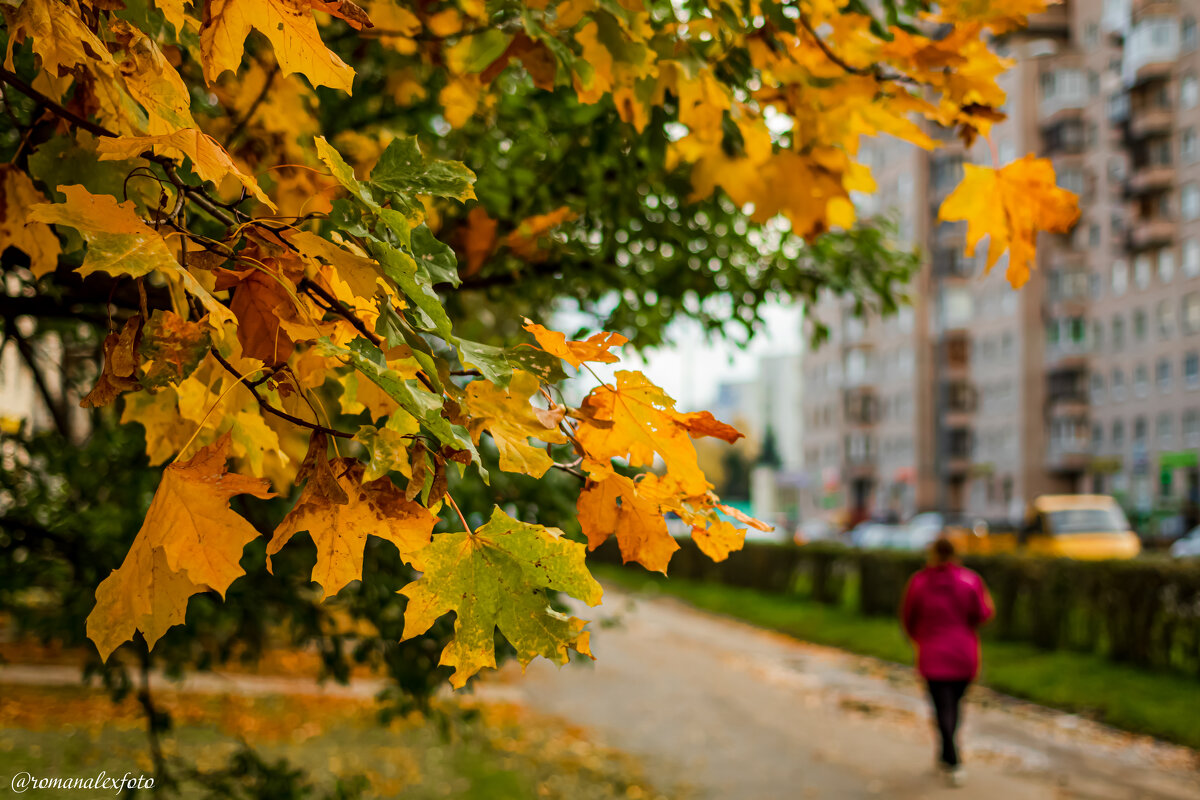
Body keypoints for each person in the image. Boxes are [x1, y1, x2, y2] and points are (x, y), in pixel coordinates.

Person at [901, 537, 994, 787]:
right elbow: (983, 614)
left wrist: (919, 638)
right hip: (964, 655)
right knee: (954, 705)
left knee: (942, 707)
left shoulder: (919, 583)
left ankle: (950, 756)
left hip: (932, 655)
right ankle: (948, 753)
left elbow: (908, 618)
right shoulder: (970, 580)